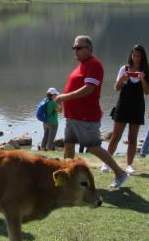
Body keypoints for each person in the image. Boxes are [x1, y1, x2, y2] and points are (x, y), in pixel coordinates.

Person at [54, 35, 129, 188]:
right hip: (73, 116)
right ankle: (65, 179)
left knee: (93, 146)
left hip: (85, 116)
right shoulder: (81, 65)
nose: (75, 51)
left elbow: (89, 89)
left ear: (89, 49)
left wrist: (64, 97)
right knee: (69, 144)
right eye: (74, 48)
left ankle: (120, 173)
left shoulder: (94, 65)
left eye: (79, 48)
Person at [106, 44, 149, 173]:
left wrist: (142, 80)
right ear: (131, 55)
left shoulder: (145, 71)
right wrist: (122, 78)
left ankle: (129, 165)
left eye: (138, 56)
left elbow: (148, 92)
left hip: (137, 107)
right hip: (123, 106)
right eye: (134, 55)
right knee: (116, 136)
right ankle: (107, 163)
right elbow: (116, 88)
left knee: (132, 138)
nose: (136, 58)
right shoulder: (124, 68)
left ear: (142, 57)